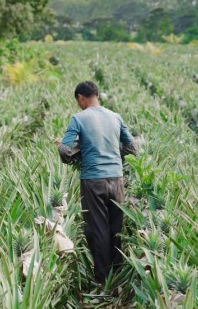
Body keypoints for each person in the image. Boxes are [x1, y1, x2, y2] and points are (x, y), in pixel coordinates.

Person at [58, 81, 137, 284]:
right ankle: (118, 273)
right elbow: (132, 147)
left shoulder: (78, 118)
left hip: (93, 180)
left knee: (97, 228)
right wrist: (114, 155)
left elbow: (65, 149)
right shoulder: (115, 116)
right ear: (97, 95)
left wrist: (76, 157)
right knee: (115, 226)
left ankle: (103, 278)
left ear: (80, 98)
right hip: (116, 178)